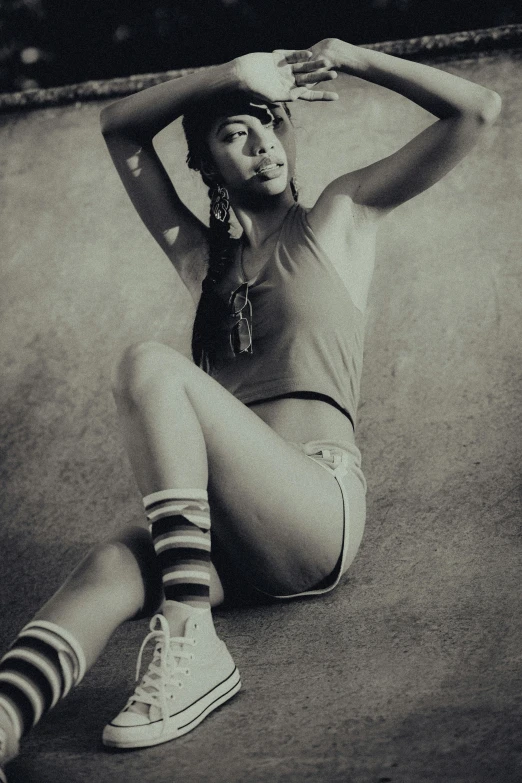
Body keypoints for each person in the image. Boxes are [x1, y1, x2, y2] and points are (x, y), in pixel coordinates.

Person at [0, 38, 501, 780]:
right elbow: (119, 128)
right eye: (235, 133)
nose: (262, 143)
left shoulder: (340, 215)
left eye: (270, 123)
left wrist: (356, 58)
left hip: (316, 503)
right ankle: (5, 720)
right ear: (207, 167)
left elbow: (477, 111)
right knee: (108, 562)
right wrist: (230, 74)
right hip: (227, 529)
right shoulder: (204, 262)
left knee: (149, 364)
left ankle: (190, 626)